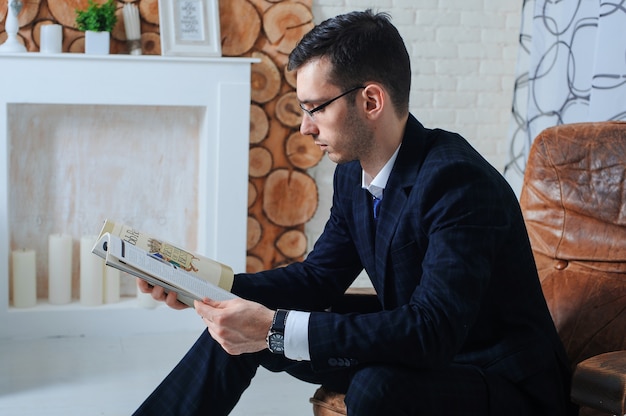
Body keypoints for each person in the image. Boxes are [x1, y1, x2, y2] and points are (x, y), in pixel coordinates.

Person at [134, 9, 576, 416]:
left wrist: (274, 327)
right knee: (232, 330)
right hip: (423, 354)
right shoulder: (353, 175)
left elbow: (433, 329)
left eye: (316, 108)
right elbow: (319, 278)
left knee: (376, 386)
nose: (306, 127)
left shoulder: (457, 181)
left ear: (370, 101)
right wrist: (207, 285)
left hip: (500, 379)